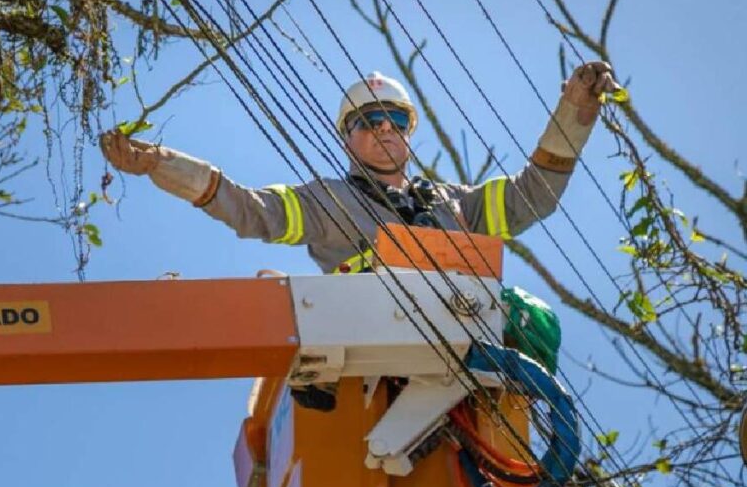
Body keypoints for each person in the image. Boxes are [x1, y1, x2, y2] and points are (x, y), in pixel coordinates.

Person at [101, 62, 618, 408]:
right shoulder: (327, 202)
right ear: (348, 137)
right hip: (377, 351)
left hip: (462, 348)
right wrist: (160, 165)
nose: (385, 128)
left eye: (395, 119)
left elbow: (535, 196)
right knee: (279, 291)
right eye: (370, 121)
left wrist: (575, 115)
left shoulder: (454, 203)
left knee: (537, 320)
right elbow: (250, 209)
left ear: (409, 132)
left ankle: (513, 407)